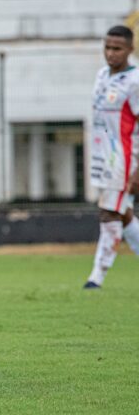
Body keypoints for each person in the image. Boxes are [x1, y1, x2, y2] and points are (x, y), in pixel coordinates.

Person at [84, 25, 139, 289]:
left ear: (130, 49)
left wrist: (138, 169)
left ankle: (96, 277)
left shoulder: (135, 80)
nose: (111, 53)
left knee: (108, 212)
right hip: (101, 155)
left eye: (117, 48)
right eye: (107, 47)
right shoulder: (102, 75)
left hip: (123, 157)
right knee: (123, 212)